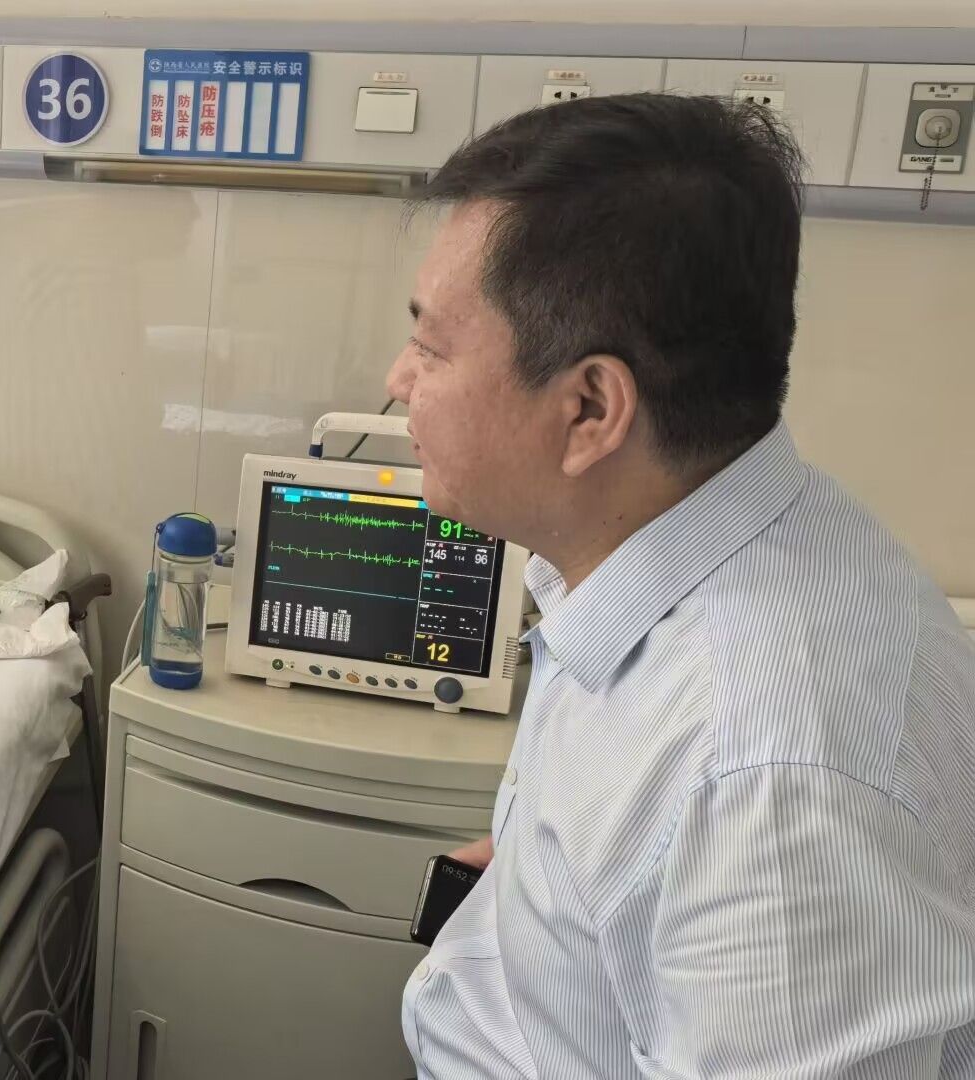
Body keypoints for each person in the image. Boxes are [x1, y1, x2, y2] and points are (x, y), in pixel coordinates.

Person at [392, 94, 975, 1076]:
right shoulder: (680, 538)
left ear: (591, 409)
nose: (399, 380)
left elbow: (722, 818)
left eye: (431, 347)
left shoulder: (767, 786)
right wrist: (548, 880)